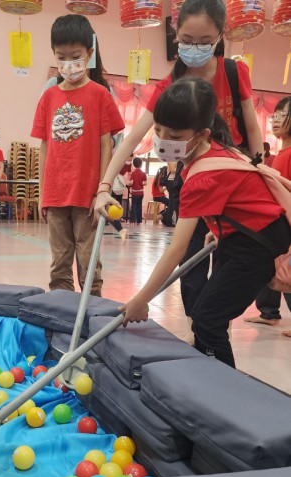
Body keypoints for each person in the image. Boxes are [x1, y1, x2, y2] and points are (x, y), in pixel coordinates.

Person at [95, 0, 263, 323]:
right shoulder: (169, 85)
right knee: (190, 259)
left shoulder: (233, 71)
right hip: (196, 179)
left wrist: (260, 169)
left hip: (234, 182)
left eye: (204, 41)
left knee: (226, 263)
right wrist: (104, 187)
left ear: (220, 35)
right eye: (187, 40)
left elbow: (253, 128)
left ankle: (213, 327)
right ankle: (198, 325)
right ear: (175, 33)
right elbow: (132, 138)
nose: (195, 48)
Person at [115, 78, 291, 369]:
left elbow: (177, 249)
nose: (163, 140)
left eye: (175, 135)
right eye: (158, 130)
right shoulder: (215, 149)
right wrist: (220, 228)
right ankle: (208, 371)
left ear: (201, 134)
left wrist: (141, 300)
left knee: (208, 320)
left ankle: (222, 387)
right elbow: (240, 199)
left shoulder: (203, 176)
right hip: (245, 236)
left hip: (257, 245)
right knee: (206, 315)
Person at [31, 14, 124, 296]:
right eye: (61, 57)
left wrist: (102, 190)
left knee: (89, 264)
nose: (68, 64)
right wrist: (42, 193)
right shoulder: (49, 97)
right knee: (59, 264)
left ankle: (91, 312)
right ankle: (62, 313)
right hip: (56, 194)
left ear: (89, 54)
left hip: (88, 196)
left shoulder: (100, 94)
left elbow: (107, 145)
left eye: (75, 57)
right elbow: (44, 146)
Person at [245, 97, 291, 336]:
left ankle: (269, 312)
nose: (276, 120)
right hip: (277, 221)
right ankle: (268, 312)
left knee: (286, 271)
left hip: (287, 222)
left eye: (283, 115)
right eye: (275, 115)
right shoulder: (281, 154)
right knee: (272, 265)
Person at [127, 157, 147, 224]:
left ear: (134, 164)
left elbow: (131, 183)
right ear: (141, 165)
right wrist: (141, 184)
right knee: (139, 206)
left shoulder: (133, 173)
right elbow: (145, 183)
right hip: (141, 192)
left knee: (134, 206)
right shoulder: (143, 173)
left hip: (134, 193)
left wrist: (129, 184)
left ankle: (132, 220)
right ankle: (139, 221)